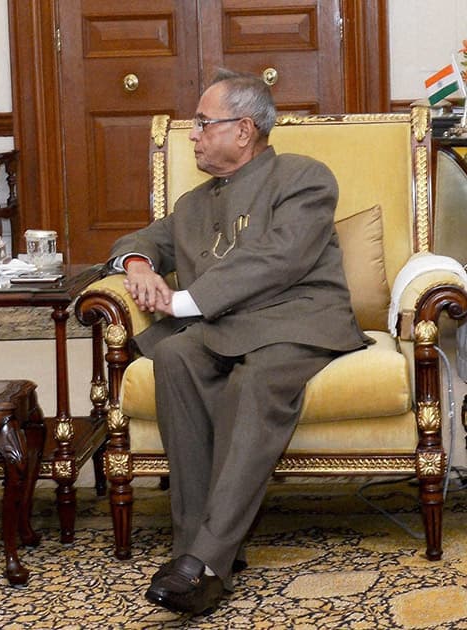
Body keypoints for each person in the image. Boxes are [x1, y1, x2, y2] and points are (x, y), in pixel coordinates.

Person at [107, 69, 367, 616]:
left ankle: (202, 562)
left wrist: (182, 302)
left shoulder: (303, 177)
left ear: (244, 129)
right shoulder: (194, 203)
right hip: (221, 327)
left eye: (203, 123)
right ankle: (195, 551)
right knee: (174, 355)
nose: (193, 135)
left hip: (297, 320)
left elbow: (280, 258)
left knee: (252, 381)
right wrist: (137, 265)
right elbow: (140, 240)